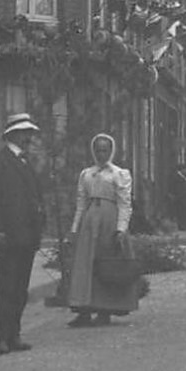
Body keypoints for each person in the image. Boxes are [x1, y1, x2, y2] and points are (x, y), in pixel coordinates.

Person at [61, 133, 141, 326]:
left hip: (109, 221)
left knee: (106, 263)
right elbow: (81, 203)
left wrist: (121, 229)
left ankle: (105, 309)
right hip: (89, 223)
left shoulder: (119, 174)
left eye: (105, 150)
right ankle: (84, 309)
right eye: (98, 150)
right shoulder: (86, 174)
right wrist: (74, 229)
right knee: (85, 265)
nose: (101, 153)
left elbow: (125, 203)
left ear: (111, 151)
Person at [0, 113, 45, 355]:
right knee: (6, 287)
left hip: (27, 236)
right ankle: (0, 338)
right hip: (7, 236)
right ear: (12, 135)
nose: (28, 137)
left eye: (29, 133)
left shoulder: (26, 163)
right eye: (24, 133)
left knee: (20, 288)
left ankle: (14, 334)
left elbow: (35, 197)